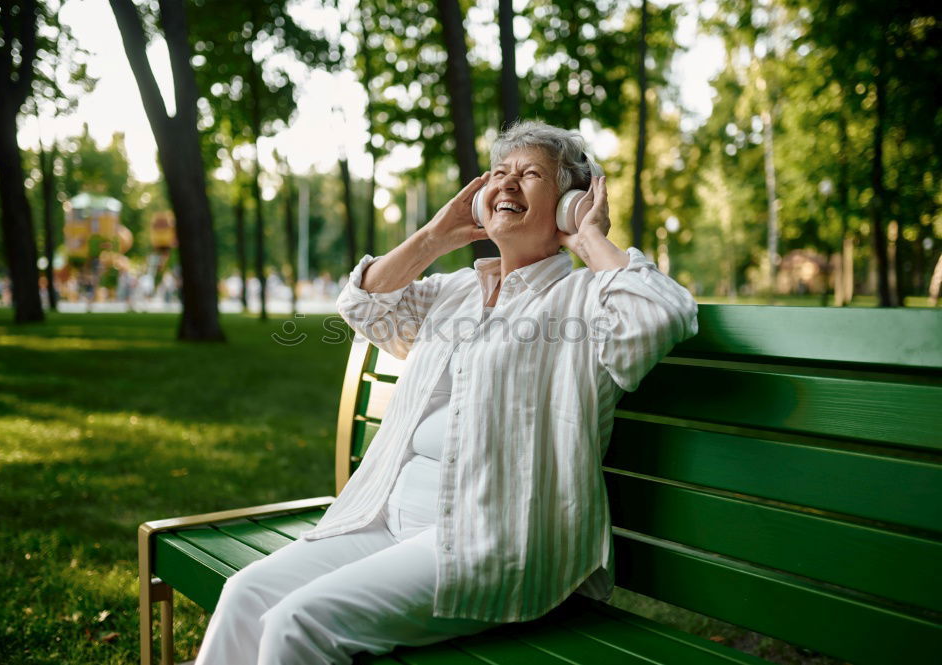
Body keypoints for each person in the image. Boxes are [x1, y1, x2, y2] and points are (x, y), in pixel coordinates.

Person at [194, 120, 699, 665]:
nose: (506, 183)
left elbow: (659, 314)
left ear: (568, 204)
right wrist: (434, 237)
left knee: (299, 624)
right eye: (499, 173)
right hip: (388, 521)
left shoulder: (583, 300)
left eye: (530, 175)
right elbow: (363, 304)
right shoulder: (457, 291)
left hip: (493, 538)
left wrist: (590, 236)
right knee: (244, 595)